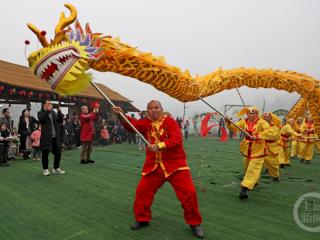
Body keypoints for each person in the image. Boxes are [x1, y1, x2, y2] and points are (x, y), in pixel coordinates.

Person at [112, 100, 204, 239]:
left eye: (156, 107)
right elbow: (133, 126)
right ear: (147, 111)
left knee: (189, 193)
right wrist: (121, 115)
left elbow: (176, 139)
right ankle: (142, 219)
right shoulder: (144, 122)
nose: (154, 110)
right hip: (154, 166)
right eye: (150, 108)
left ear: (161, 109)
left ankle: (194, 223)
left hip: (176, 165)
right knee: (142, 191)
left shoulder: (170, 122)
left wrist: (159, 145)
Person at [226, 107, 276, 199]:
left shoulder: (262, 122)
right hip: (247, 149)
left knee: (253, 169)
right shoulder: (243, 122)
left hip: (258, 150)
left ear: (256, 114)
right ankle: (253, 181)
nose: (250, 115)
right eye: (249, 113)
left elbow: (270, 132)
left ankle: (244, 189)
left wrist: (258, 136)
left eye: (253, 113)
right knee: (247, 167)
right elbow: (235, 127)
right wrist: (229, 122)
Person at [38, 100, 65, 176]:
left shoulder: (54, 112)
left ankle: (56, 168)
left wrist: (59, 111)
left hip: (55, 137)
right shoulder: (41, 112)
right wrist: (47, 111)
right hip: (46, 137)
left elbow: (60, 120)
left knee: (58, 153)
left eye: (51, 104)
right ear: (44, 105)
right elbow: (41, 119)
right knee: (45, 153)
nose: (50, 105)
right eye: (48, 103)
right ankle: (45, 169)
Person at [261, 113, 281, 181]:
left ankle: (275, 176)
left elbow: (276, 137)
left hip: (271, 147)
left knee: (273, 163)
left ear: (271, 118)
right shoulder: (259, 125)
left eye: (267, 116)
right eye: (264, 116)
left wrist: (263, 136)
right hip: (260, 146)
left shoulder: (275, 127)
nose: (265, 117)